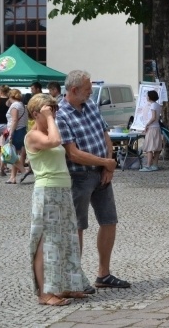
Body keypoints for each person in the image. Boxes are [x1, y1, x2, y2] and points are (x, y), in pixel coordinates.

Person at [26, 93, 118, 306]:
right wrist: (49, 117)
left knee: (66, 240)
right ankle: (44, 293)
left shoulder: (50, 129)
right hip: (47, 191)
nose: (54, 114)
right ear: (35, 113)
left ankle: (66, 285)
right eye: (49, 110)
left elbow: (59, 143)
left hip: (62, 189)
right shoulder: (32, 136)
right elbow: (56, 141)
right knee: (45, 241)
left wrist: (50, 117)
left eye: (55, 110)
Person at [56, 70, 131, 290]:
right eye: (87, 90)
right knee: (77, 226)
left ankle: (103, 274)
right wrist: (104, 163)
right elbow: (73, 153)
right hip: (78, 175)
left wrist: (109, 164)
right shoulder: (60, 115)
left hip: (101, 172)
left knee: (109, 221)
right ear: (74, 90)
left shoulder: (89, 106)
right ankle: (75, 278)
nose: (90, 93)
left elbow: (104, 135)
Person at [4, 89, 29, 184]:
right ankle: (12, 177)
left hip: (14, 131)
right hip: (21, 130)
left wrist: (10, 134)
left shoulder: (14, 106)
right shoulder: (22, 105)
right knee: (14, 154)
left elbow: (14, 120)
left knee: (6, 154)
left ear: (10, 96)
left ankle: (23, 170)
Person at [140, 89, 162, 172]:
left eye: (147, 95)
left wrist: (147, 124)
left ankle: (148, 165)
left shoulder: (152, 105)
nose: (146, 97)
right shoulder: (157, 105)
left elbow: (153, 117)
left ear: (150, 97)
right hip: (157, 127)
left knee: (150, 147)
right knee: (157, 148)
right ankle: (155, 165)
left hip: (152, 127)